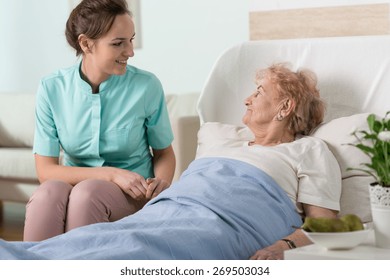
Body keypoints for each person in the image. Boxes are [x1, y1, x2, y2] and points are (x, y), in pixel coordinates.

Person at [0, 63, 341, 260]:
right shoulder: (221, 136)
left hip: (222, 226)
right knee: (96, 240)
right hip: (170, 209)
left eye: (260, 91)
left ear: (285, 108)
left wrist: (283, 246)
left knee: (130, 251)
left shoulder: (309, 151)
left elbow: (325, 225)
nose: (248, 98)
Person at [23, 0, 176, 242]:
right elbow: (46, 171)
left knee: (86, 194)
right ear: (86, 44)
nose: (130, 52)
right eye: (118, 43)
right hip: (77, 184)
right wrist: (111, 174)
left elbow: (164, 153)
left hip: (131, 193)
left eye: (131, 40)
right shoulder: (52, 88)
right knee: (47, 193)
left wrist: (161, 183)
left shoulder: (146, 86)